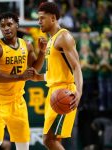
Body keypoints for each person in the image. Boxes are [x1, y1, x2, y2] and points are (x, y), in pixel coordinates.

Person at [0, 12, 47, 150]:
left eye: (9, 24)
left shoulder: (27, 45)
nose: (6, 28)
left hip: (18, 102)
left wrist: (42, 52)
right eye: (2, 26)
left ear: (17, 25)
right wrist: (20, 77)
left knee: (23, 144)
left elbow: (33, 70)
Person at [35, 2, 83, 150]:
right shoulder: (51, 40)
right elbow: (54, 73)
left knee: (49, 139)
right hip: (53, 91)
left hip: (64, 92)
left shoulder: (63, 37)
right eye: (39, 18)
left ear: (53, 18)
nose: (39, 21)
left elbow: (76, 67)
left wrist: (79, 92)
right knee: (50, 140)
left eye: (42, 18)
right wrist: (37, 77)